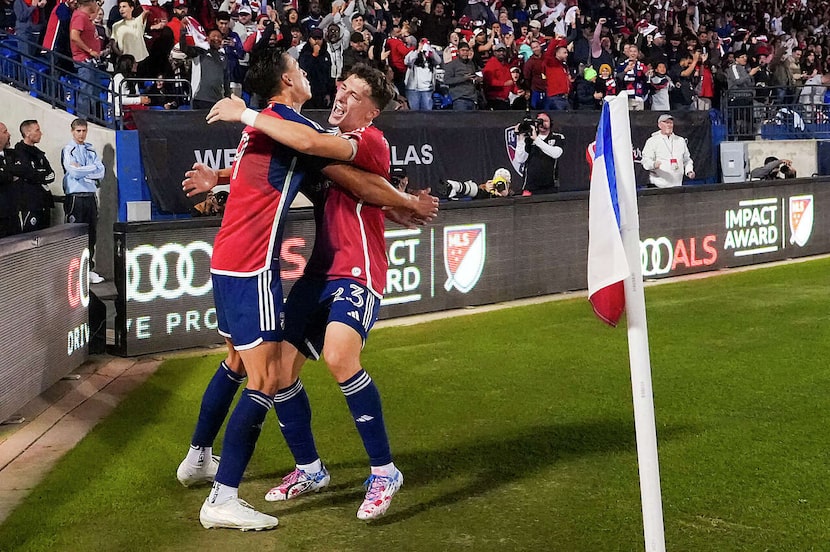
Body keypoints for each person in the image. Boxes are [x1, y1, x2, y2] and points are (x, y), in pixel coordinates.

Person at [176, 53, 436, 531]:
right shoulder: (308, 135)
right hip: (317, 271)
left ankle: (383, 471)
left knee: (337, 358)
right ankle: (310, 469)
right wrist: (222, 177)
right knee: (275, 376)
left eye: (355, 95)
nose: (341, 96)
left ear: (372, 111)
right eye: (342, 88)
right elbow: (280, 158)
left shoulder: (368, 140)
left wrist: (400, 201)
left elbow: (350, 176)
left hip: (357, 270)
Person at [61, 118, 105, 283]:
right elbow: (73, 172)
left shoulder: (91, 150)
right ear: (72, 131)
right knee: (74, 235)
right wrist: (89, 171)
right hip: (75, 197)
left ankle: (89, 269)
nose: (81, 134)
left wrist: (84, 170)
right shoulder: (68, 150)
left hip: (90, 197)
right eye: (78, 131)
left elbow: (100, 172)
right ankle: (75, 271)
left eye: (84, 131)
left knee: (91, 234)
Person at [14, 120, 55, 232]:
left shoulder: (39, 153)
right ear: (27, 133)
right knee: (29, 238)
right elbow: (28, 173)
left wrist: (38, 175)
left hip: (44, 202)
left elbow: (51, 174)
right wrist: (40, 175)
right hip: (29, 203)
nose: (41, 133)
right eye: (37, 130)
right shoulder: (19, 152)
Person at [513, 111, 564, 195]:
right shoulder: (529, 139)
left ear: (551, 123)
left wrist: (536, 140)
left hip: (550, 185)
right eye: (539, 121)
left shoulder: (557, 137)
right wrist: (521, 138)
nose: (542, 123)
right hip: (530, 186)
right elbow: (520, 159)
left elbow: (556, 153)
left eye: (545, 121)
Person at [69, 0, 103, 119]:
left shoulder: (85, 16)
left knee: (93, 93)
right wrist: (89, 50)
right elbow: (74, 36)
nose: (97, 4)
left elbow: (94, 13)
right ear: (89, 3)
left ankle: (92, 119)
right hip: (84, 60)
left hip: (90, 60)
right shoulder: (79, 16)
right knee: (86, 92)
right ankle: (83, 120)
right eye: (95, 2)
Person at [640, 114, 695, 188]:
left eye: (671, 123)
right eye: (666, 122)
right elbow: (645, 160)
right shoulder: (652, 141)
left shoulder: (680, 140)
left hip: (677, 185)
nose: (669, 125)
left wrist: (689, 171)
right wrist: (653, 164)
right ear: (660, 125)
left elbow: (687, 160)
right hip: (658, 185)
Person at [0, 122, 23, 239]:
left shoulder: (12, 154)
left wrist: (5, 171)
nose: (9, 134)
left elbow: (24, 171)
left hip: (13, 213)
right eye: (4, 132)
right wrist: (10, 175)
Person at [442, 41, 479, 110]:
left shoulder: (471, 64)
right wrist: (463, 78)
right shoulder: (452, 65)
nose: (465, 52)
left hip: (472, 98)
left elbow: (472, 76)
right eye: (463, 50)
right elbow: (447, 80)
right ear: (458, 52)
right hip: (459, 99)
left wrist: (477, 79)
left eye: (467, 51)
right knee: (461, 120)